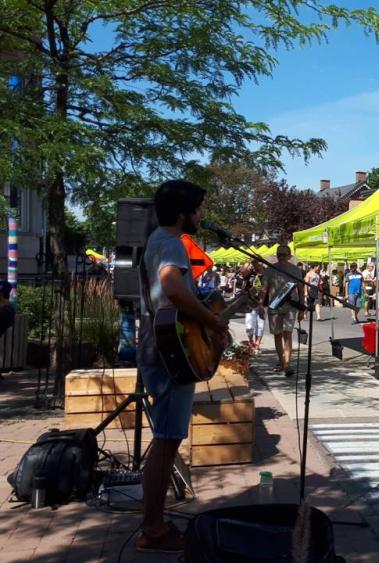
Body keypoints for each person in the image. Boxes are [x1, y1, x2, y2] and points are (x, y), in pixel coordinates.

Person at [137, 180, 228, 552]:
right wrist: (212, 320)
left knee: (167, 438)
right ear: (182, 213)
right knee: (167, 440)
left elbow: (175, 296)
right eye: (198, 210)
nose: (201, 217)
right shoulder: (171, 243)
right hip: (168, 355)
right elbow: (172, 288)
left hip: (162, 348)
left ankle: (153, 524)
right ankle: (153, 529)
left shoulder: (158, 241)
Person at [261, 244, 305, 377]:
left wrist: (302, 309)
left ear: (289, 256)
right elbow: (264, 289)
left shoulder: (295, 270)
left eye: (283, 255)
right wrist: (260, 306)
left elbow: (301, 290)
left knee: (287, 334)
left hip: (290, 306)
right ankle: (281, 361)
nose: (281, 257)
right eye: (279, 255)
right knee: (277, 334)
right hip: (274, 306)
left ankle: (287, 364)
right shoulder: (270, 270)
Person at [238, 262, 266, 351]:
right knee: (249, 326)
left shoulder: (266, 274)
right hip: (250, 303)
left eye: (259, 263)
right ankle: (250, 341)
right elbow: (242, 271)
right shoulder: (250, 274)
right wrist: (247, 265)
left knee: (261, 325)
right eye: (255, 263)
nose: (257, 265)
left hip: (263, 303)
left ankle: (257, 344)